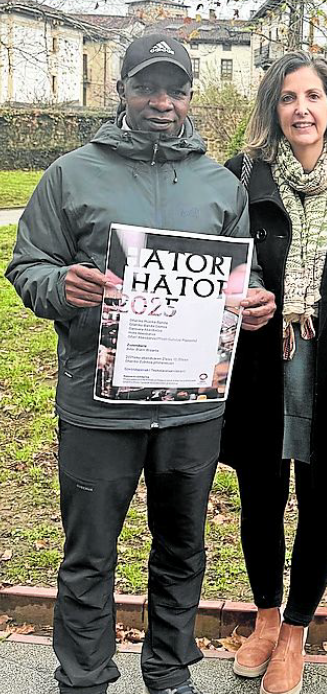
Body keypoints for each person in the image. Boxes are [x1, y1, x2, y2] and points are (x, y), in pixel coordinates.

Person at [5, 34, 275, 694]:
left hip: (191, 405)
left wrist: (254, 302)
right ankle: (85, 679)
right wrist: (58, 286)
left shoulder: (220, 185)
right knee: (90, 553)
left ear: (190, 97)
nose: (162, 101)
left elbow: (247, 277)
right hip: (99, 406)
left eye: (176, 89)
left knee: (182, 548)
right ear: (121, 91)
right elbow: (27, 265)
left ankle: (167, 672)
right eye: (147, 87)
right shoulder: (71, 173)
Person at [220, 52, 327, 694]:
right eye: (288, 98)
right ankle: (264, 618)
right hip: (261, 364)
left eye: (314, 96)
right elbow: (226, 257)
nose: (302, 109)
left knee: (321, 502)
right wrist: (254, 290)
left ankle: (296, 631)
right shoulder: (243, 176)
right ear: (273, 109)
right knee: (259, 497)